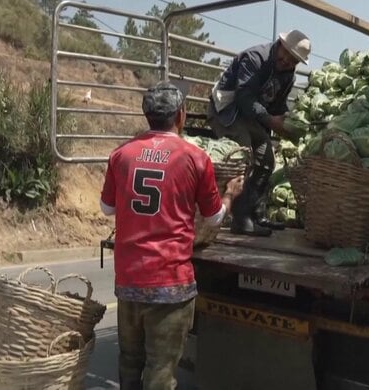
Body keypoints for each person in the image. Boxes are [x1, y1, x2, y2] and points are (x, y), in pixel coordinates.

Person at [99, 81, 244, 390]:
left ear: (147, 115)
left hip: (129, 280)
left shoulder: (121, 154)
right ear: (181, 115)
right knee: (161, 371)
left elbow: (107, 208)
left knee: (129, 363)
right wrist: (230, 194)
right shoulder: (196, 158)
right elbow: (214, 217)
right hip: (170, 284)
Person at [208, 29, 311, 237]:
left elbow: (277, 106)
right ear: (280, 45)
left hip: (252, 116)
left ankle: (255, 213)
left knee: (266, 160)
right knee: (244, 155)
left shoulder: (288, 75)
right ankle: (239, 218)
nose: (287, 61)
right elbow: (244, 98)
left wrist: (289, 123)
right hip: (228, 110)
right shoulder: (255, 58)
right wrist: (272, 121)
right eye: (286, 54)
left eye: (293, 60)